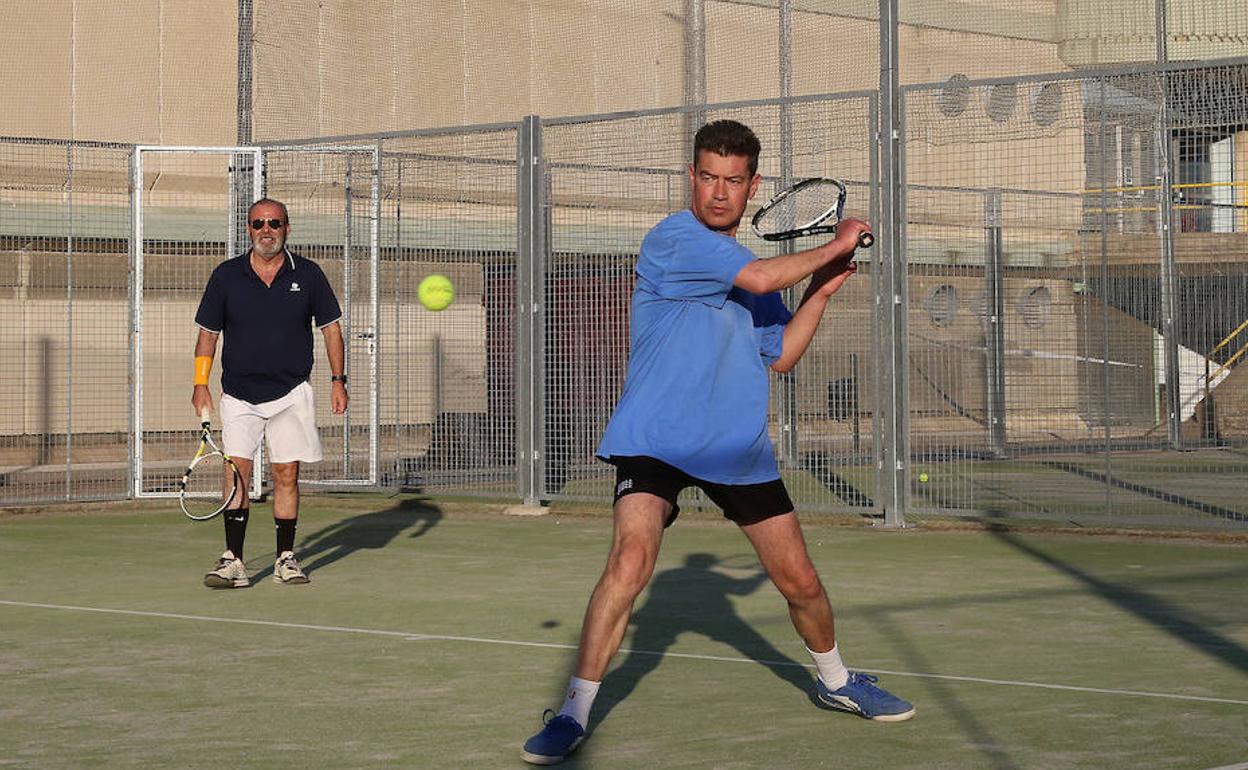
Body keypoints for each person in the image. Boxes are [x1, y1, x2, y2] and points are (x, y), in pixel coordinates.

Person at [521, 120, 913, 765]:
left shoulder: (747, 264)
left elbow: (781, 353)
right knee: (629, 562)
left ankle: (838, 682)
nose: (719, 192)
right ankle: (572, 713)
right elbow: (759, 278)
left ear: (752, 186)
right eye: (708, 176)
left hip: (735, 446)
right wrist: (837, 244)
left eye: (733, 181)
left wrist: (821, 289)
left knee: (802, 584)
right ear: (692, 177)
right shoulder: (677, 239)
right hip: (656, 437)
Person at [191, 197, 348, 588]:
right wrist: (199, 384)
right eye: (258, 224)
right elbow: (207, 335)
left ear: (287, 229)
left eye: (274, 224)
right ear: (248, 229)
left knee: (286, 473)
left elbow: (331, 330)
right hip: (239, 395)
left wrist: (338, 380)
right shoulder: (226, 276)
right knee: (237, 473)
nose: (266, 231)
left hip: (291, 393)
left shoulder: (308, 275)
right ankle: (233, 562)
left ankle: (286, 558)